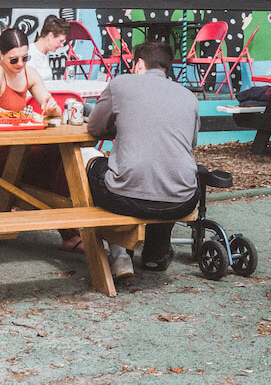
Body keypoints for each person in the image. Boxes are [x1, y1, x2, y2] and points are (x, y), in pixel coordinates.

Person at [86, 41, 200, 279]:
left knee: (92, 164)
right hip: (183, 199)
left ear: (138, 64)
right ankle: (155, 256)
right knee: (165, 169)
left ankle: (119, 252)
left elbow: (95, 128)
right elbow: (189, 145)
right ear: (167, 68)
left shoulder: (120, 85)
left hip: (125, 197)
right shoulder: (189, 97)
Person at [0, 28, 79, 249]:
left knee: (60, 156)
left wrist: (51, 111)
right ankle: (71, 232)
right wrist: (23, 116)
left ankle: (72, 230)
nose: (20, 63)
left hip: (17, 148)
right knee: (55, 167)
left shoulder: (30, 73)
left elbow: (52, 108)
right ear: (0, 54)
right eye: (14, 59)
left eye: (25, 57)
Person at [28, 15, 70, 81]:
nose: (62, 45)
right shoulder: (29, 53)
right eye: (61, 41)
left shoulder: (45, 54)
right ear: (50, 36)